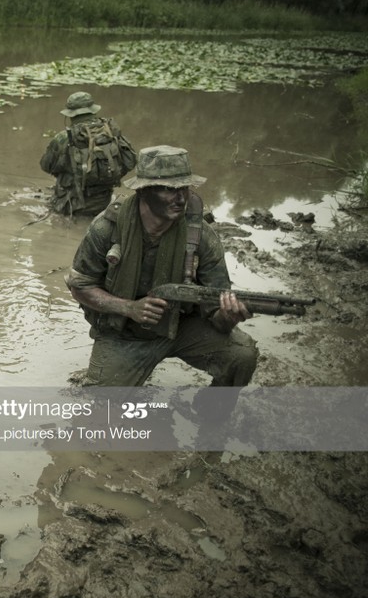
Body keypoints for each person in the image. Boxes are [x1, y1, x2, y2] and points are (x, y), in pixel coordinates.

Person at [65, 145, 259, 389]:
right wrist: (130, 308)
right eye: (169, 189)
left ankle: (212, 412)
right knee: (100, 409)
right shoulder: (107, 229)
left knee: (242, 356)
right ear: (144, 191)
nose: (180, 198)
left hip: (182, 326)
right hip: (125, 333)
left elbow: (216, 317)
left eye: (184, 189)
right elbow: (80, 286)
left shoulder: (202, 237)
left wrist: (228, 316)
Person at [40, 91, 137, 216]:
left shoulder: (63, 138)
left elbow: (46, 166)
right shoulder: (110, 131)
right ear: (93, 110)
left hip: (70, 205)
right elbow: (131, 161)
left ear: (70, 114)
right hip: (104, 202)